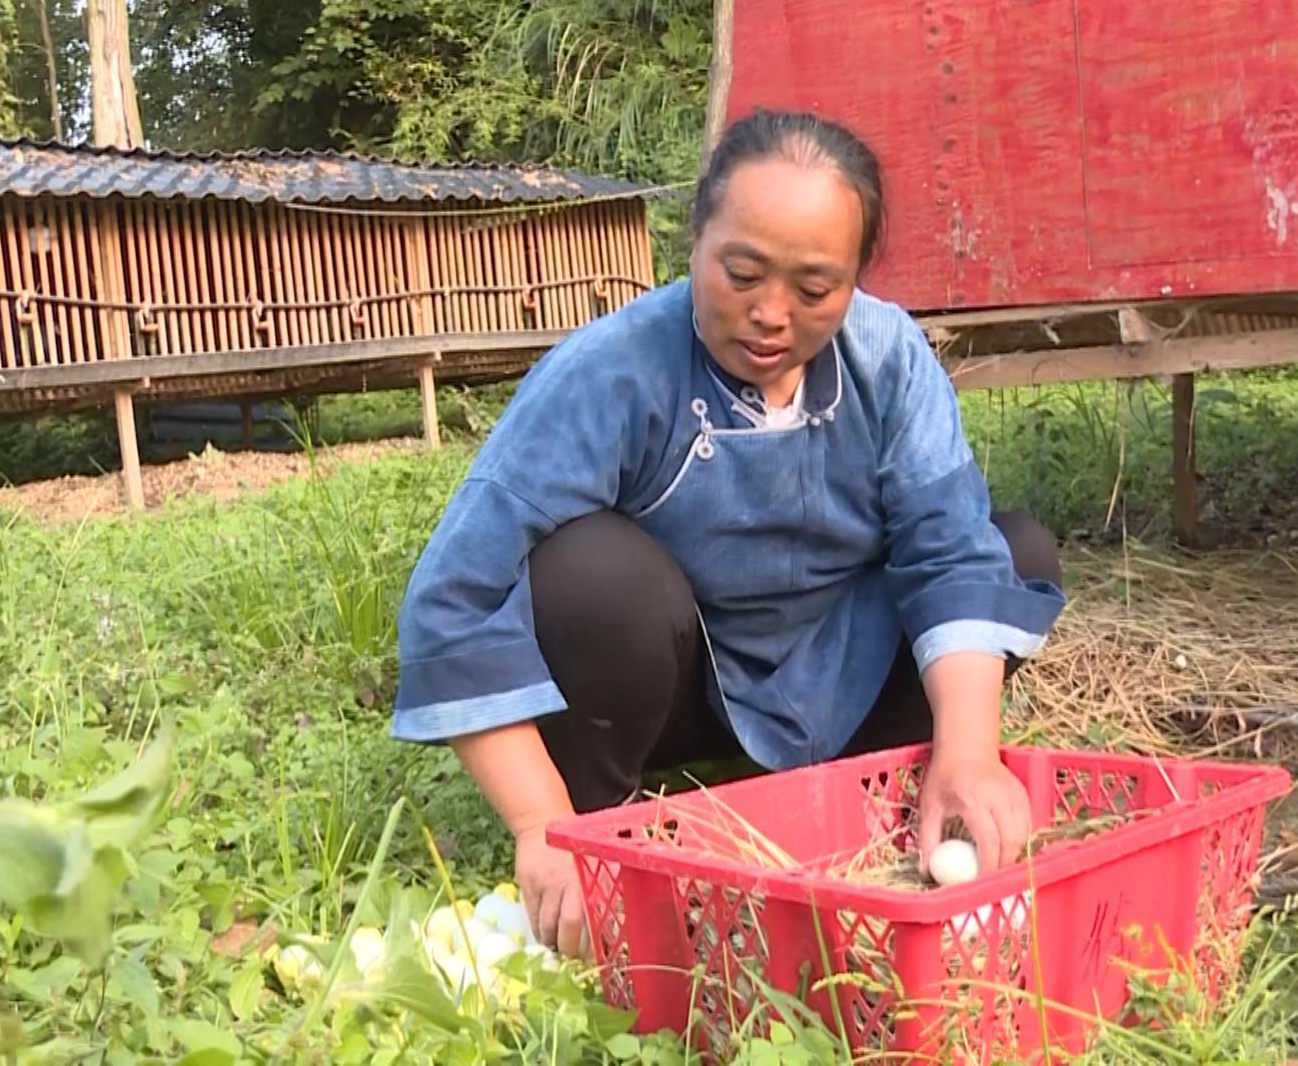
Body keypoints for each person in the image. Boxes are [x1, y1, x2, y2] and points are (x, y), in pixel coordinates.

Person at [389, 109, 1067, 958]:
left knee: (1012, 548)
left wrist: (970, 752)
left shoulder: (888, 359)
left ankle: (901, 780)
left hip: (843, 674)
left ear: (857, 282)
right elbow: (453, 593)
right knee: (590, 575)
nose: (771, 314)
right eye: (741, 273)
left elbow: (949, 549)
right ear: (693, 242)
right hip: (677, 692)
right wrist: (539, 822)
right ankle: (601, 833)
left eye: (815, 290)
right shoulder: (611, 370)